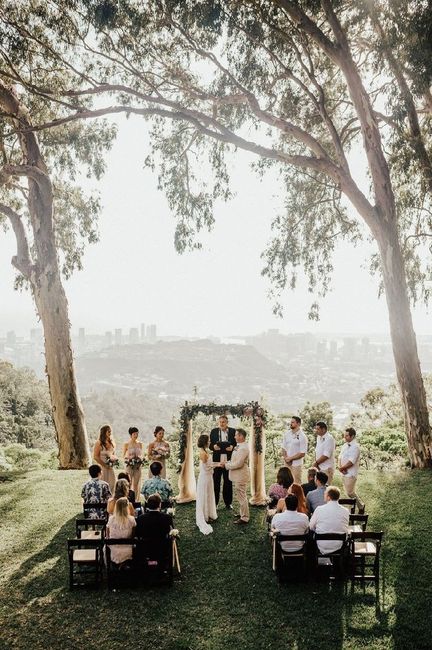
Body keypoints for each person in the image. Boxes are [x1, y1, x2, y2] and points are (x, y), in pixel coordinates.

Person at [135, 493, 174, 571]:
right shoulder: (167, 518)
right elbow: (169, 532)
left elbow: (137, 534)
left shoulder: (140, 519)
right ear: (160, 505)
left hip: (145, 549)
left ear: (148, 505)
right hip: (162, 549)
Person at [309, 486, 349, 554]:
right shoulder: (345, 511)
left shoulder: (319, 509)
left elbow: (311, 526)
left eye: (325, 494)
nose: (323, 495)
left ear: (328, 497)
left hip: (322, 544)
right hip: (338, 544)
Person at [223, 428, 250, 525]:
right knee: (240, 496)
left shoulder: (243, 448)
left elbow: (239, 464)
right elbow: (234, 459)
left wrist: (226, 465)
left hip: (241, 475)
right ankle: (242, 513)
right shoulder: (238, 446)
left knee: (242, 496)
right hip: (238, 475)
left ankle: (245, 518)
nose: (234, 436)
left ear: (241, 436)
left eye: (236, 435)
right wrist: (227, 462)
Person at [209, 415, 236, 509]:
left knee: (228, 481)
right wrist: (213, 447)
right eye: (220, 422)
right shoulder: (214, 431)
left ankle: (228, 503)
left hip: (228, 459)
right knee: (215, 481)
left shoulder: (233, 431)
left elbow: (236, 443)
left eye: (223, 422)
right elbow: (210, 444)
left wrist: (232, 447)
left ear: (227, 422)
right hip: (217, 460)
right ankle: (215, 503)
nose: (221, 423)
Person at [195, 434, 219, 535]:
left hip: (208, 477)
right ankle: (205, 517)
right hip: (205, 477)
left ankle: (209, 514)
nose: (210, 442)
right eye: (208, 441)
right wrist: (218, 464)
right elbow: (206, 467)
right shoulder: (203, 453)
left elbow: (208, 465)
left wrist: (216, 464)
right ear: (205, 442)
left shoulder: (205, 451)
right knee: (204, 495)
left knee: (209, 495)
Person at [338, 427, 365, 513]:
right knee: (348, 492)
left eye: (347, 436)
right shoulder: (344, 445)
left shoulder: (355, 447)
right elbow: (340, 457)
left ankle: (361, 506)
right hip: (344, 472)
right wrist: (341, 468)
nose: (344, 437)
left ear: (352, 436)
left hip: (351, 473)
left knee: (350, 492)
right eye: (344, 435)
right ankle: (358, 505)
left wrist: (343, 468)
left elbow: (351, 461)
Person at [106, 497, 136, 565]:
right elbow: (133, 535)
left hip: (114, 550)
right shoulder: (132, 520)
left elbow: (107, 536)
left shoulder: (111, 519)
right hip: (128, 550)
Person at [281, 416, 308, 483]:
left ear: (298, 424)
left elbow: (302, 453)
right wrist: (286, 458)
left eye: (293, 422)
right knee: (285, 482)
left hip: (297, 464)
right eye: (291, 422)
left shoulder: (303, 436)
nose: (291, 423)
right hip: (286, 463)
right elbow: (283, 448)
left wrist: (290, 458)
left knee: (296, 483)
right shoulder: (287, 434)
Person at [93, 424, 117, 492]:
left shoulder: (112, 442)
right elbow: (95, 457)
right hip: (102, 467)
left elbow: (113, 455)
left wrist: (113, 461)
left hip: (110, 467)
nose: (110, 433)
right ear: (104, 432)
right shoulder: (99, 443)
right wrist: (105, 465)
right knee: (103, 483)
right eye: (108, 431)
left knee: (112, 483)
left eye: (110, 431)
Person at [123, 426, 144, 497]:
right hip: (129, 466)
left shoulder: (140, 444)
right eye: (134, 434)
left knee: (136, 483)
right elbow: (124, 456)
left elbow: (141, 455)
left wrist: (140, 460)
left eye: (137, 434)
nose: (136, 435)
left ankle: (136, 499)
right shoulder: (126, 444)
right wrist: (128, 460)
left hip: (138, 466)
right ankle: (128, 497)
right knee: (129, 482)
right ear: (130, 435)